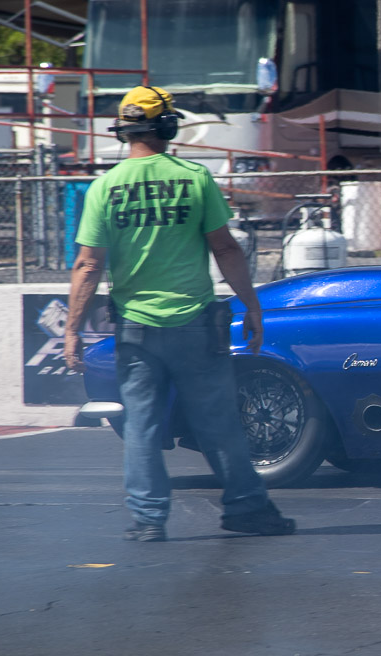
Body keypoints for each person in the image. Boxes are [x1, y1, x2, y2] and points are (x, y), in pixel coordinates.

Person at [62, 85, 295, 542]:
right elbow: (225, 248)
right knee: (219, 423)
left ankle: (149, 519)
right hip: (195, 326)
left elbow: (88, 264)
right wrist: (252, 306)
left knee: (142, 427)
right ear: (167, 126)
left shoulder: (104, 188)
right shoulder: (194, 178)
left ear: (124, 131)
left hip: (136, 329)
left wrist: (71, 330)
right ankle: (247, 508)